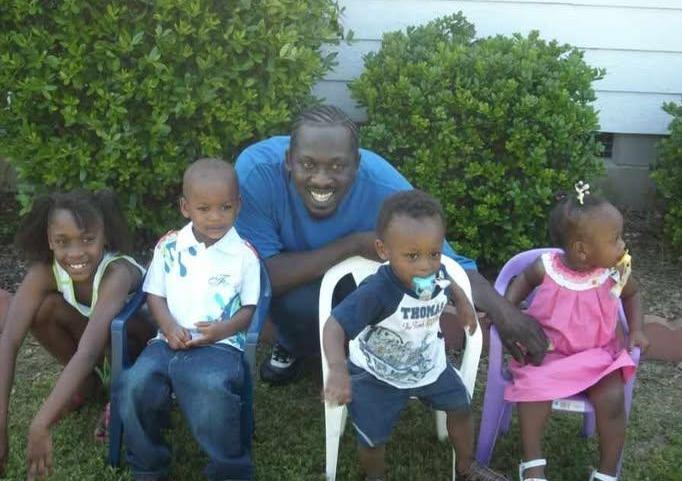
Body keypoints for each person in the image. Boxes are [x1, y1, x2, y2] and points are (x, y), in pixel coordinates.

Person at [235, 104, 548, 385]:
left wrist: (505, 313)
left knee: (382, 290)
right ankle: (292, 344)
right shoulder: (256, 173)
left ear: (357, 164)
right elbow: (260, 277)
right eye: (307, 164)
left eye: (337, 166)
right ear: (289, 161)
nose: (321, 179)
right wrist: (353, 244)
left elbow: (445, 261)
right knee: (297, 305)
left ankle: (360, 355)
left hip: (354, 288)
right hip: (292, 287)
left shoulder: (383, 184)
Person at [323, 190, 509, 481]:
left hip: (428, 366)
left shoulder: (435, 272)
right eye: (412, 256)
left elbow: (447, 279)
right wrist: (337, 368)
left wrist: (463, 303)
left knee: (461, 407)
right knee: (372, 437)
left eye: (434, 253)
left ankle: (466, 466)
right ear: (384, 250)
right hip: (377, 374)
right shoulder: (377, 291)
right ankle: (375, 476)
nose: (425, 265)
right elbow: (334, 325)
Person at [114, 159, 259, 481]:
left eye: (225, 207)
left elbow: (249, 309)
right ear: (185, 207)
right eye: (204, 208)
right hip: (168, 340)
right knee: (135, 385)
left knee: (209, 388)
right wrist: (167, 327)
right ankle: (148, 466)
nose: (215, 217)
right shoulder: (169, 247)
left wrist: (221, 330)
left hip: (219, 345)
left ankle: (229, 470)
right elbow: (154, 294)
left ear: (238, 206)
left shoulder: (244, 256)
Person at [0, 189, 153, 480]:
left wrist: (40, 424)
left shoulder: (117, 272)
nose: (75, 253)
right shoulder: (46, 271)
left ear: (104, 236)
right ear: (50, 240)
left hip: (138, 353)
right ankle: (88, 385)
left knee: (116, 324)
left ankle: (121, 396)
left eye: (87, 239)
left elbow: (88, 349)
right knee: (44, 309)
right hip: (97, 347)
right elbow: (8, 340)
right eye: (62, 241)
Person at [504, 183, 649, 481]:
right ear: (582, 250)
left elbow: (633, 295)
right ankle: (533, 465)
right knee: (531, 394)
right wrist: (507, 310)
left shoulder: (613, 273)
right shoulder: (546, 268)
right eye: (615, 239)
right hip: (547, 353)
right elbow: (522, 280)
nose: (623, 245)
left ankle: (607, 471)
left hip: (598, 357)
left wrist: (636, 329)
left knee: (612, 399)